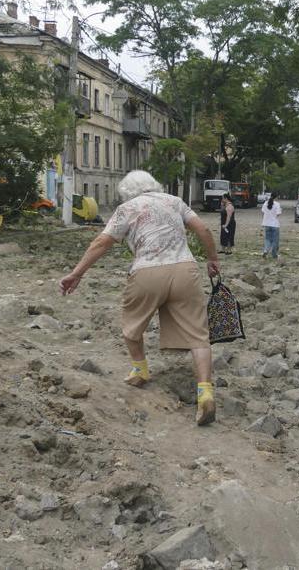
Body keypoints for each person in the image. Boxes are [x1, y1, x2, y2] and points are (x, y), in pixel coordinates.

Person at [59, 170, 220, 426]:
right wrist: (212, 259)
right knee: (199, 336)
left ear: (128, 190)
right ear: (153, 184)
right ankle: (205, 392)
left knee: (132, 325)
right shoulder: (174, 201)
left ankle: (140, 369)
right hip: (185, 270)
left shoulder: (127, 208)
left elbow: (102, 242)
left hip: (147, 270)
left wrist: (77, 273)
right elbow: (203, 229)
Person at [261, 192, 282, 259]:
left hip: (267, 224)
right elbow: (278, 214)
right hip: (275, 224)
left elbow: (263, 212)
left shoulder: (265, 203)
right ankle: (274, 254)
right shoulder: (277, 204)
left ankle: (265, 250)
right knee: (275, 240)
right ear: (276, 197)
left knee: (267, 239)